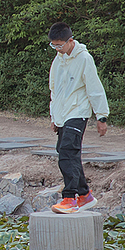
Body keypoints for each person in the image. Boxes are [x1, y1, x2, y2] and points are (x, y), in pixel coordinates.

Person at [47, 23, 109, 214]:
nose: (58, 49)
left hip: (78, 113)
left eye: (60, 45)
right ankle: (85, 195)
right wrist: (54, 117)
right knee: (64, 150)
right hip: (63, 115)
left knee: (68, 151)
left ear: (70, 41)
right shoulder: (58, 60)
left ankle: (69, 198)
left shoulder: (84, 58)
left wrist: (102, 116)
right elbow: (54, 90)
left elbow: (94, 88)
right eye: (54, 46)